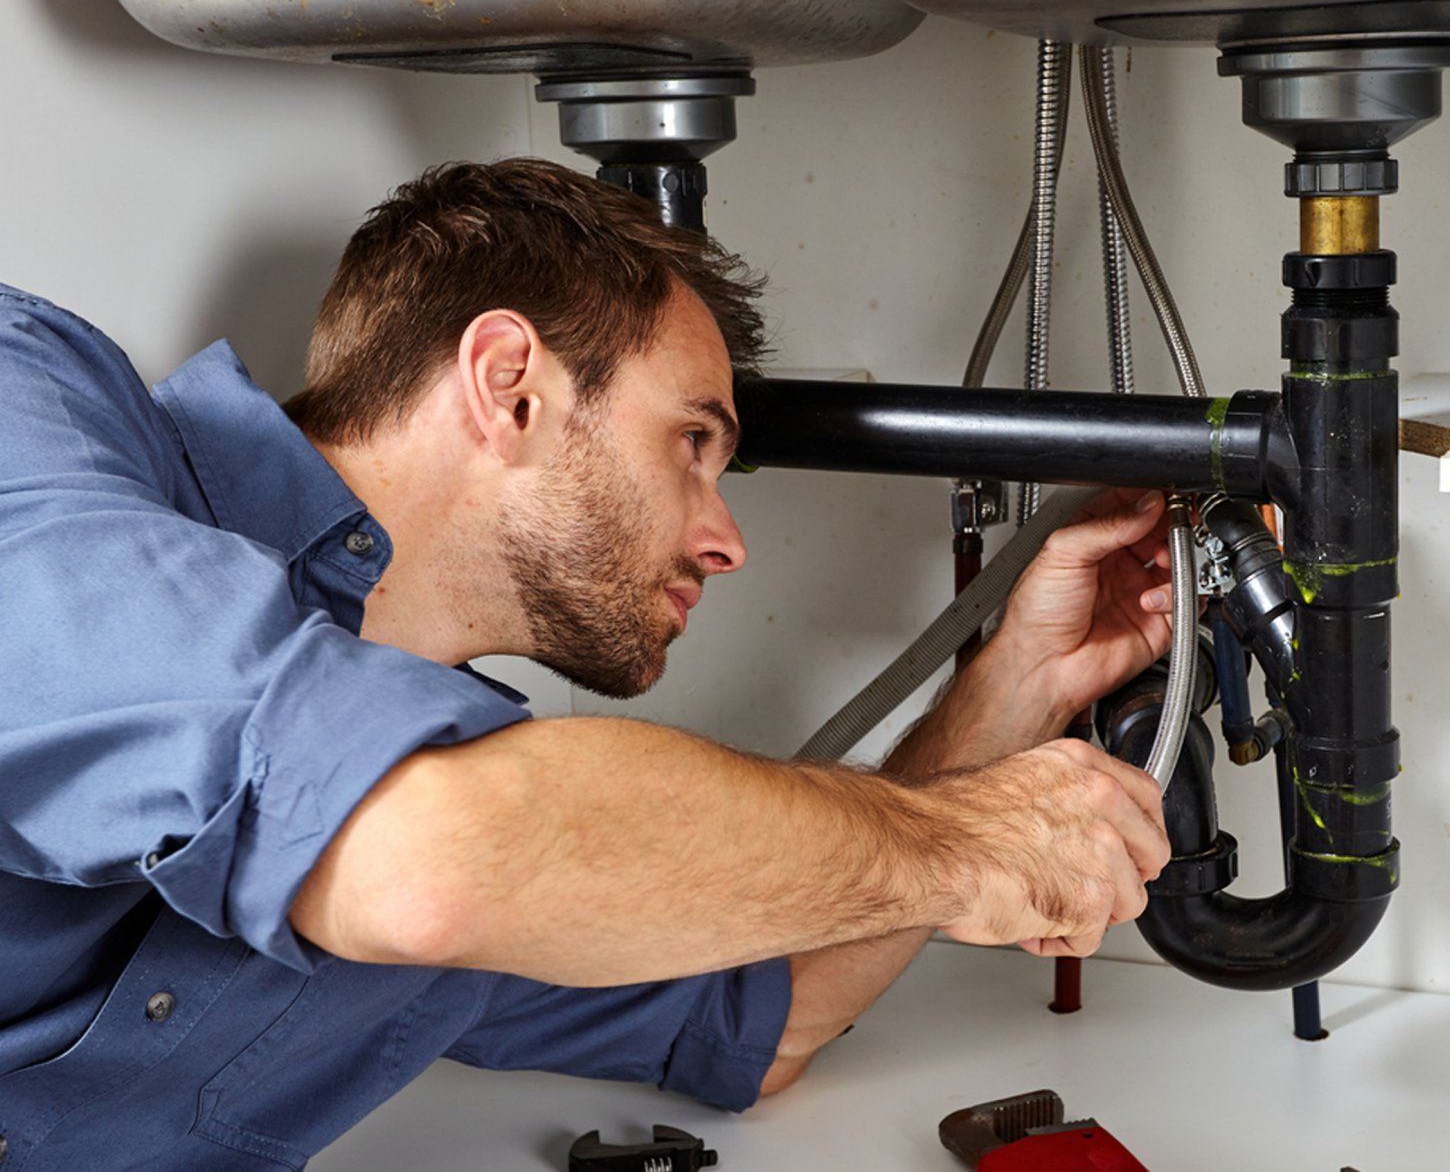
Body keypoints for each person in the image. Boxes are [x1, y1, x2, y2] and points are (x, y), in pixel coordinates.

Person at [0, 158, 1178, 1168]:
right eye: (693, 441)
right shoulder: (30, 415)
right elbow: (431, 854)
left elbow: (764, 1018)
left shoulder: (501, 809)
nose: (727, 539)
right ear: (509, 384)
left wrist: (1020, 686)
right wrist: (961, 844)